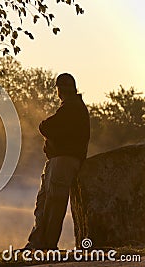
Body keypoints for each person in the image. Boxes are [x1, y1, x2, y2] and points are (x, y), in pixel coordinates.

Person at [24, 73, 90, 250]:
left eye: (59, 89)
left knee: (54, 204)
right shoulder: (73, 107)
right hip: (59, 161)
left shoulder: (71, 108)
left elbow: (47, 126)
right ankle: (37, 242)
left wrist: (45, 129)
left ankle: (47, 244)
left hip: (63, 162)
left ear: (61, 90)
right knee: (45, 201)